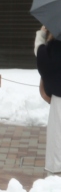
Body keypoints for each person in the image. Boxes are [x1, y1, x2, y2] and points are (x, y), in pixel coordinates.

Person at [35, 25, 61, 174]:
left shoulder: (55, 46)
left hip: (59, 98)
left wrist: (41, 34)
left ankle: (56, 171)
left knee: (57, 136)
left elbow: (41, 57)